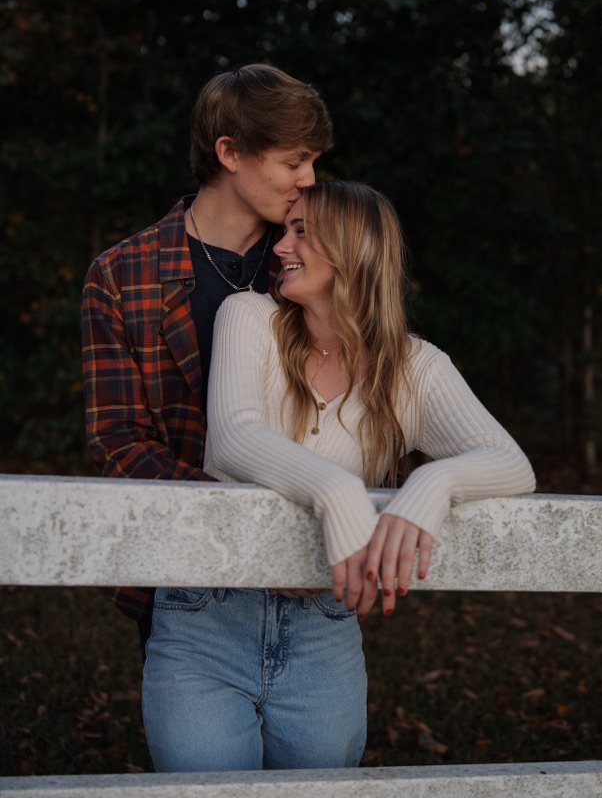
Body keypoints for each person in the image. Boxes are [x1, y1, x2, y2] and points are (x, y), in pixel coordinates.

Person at [142, 180, 536, 772]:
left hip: (322, 632)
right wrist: (339, 492)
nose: (280, 246)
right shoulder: (248, 316)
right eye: (285, 229)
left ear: (355, 249)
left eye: (301, 231)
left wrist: (428, 487)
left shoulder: (416, 368)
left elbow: (510, 463)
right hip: (207, 618)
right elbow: (231, 441)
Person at [80, 64, 334, 649]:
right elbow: (117, 442)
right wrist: (246, 524)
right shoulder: (121, 274)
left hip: (308, 578)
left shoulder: (317, 258)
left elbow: (366, 400)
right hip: (184, 575)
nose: (310, 179)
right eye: (294, 162)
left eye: (313, 162)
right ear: (229, 152)